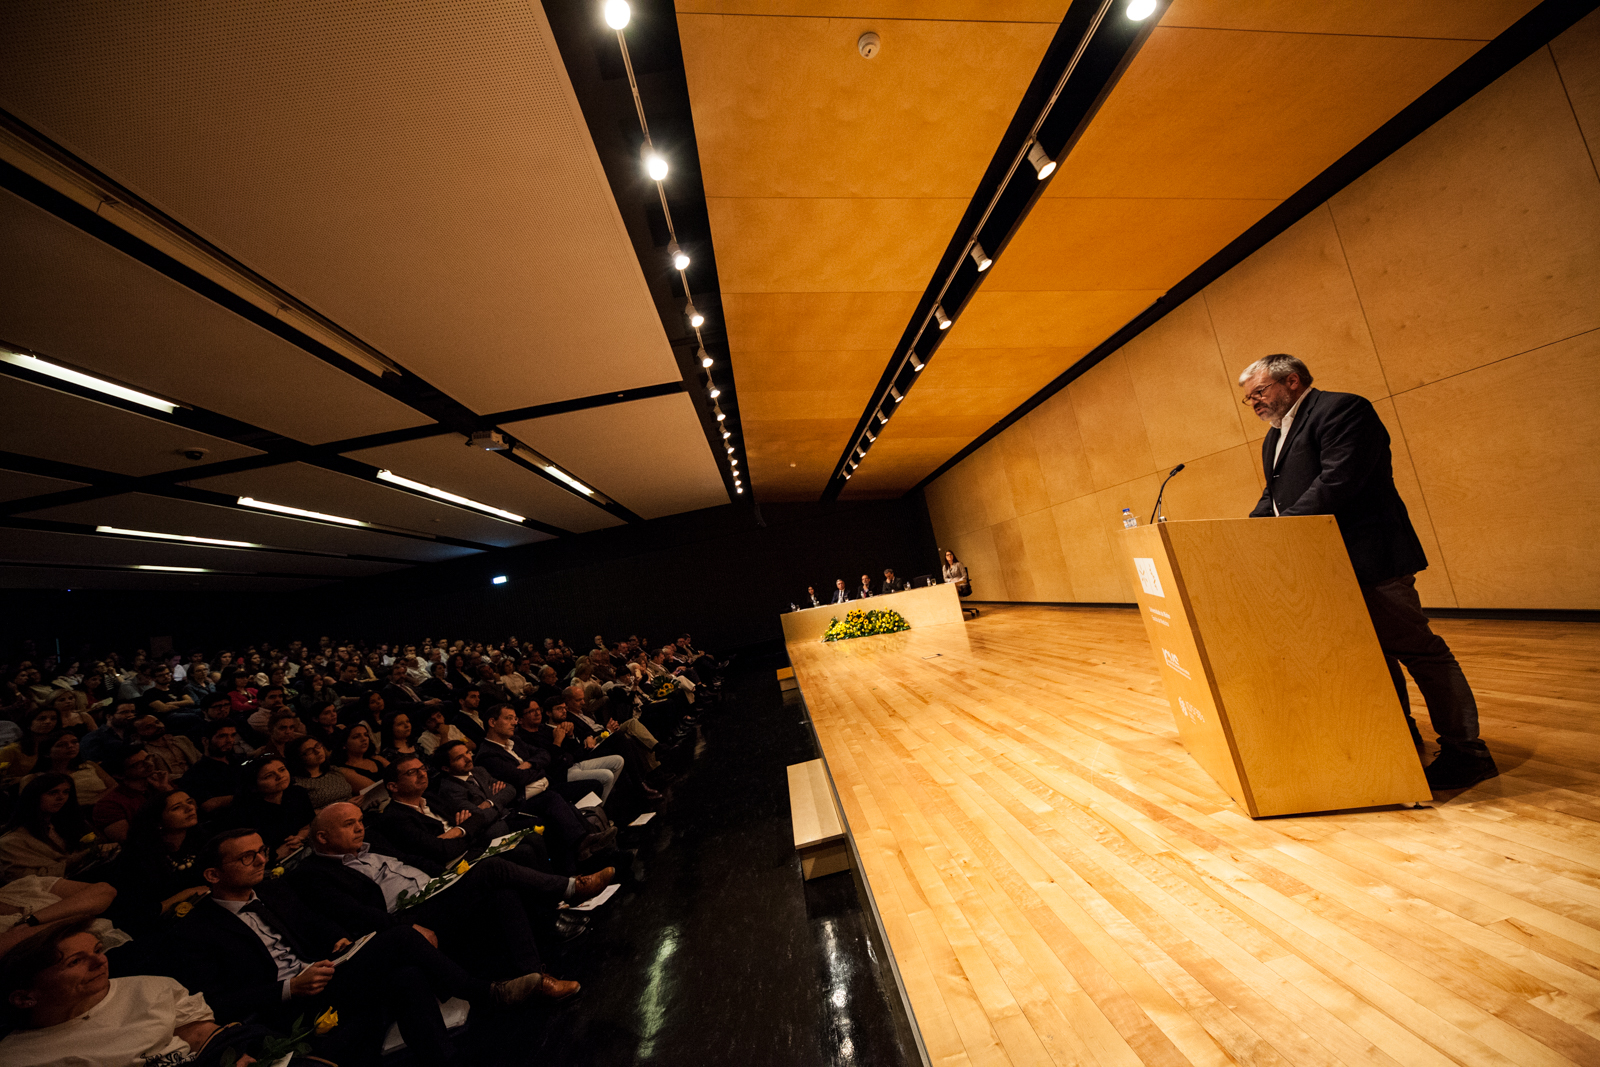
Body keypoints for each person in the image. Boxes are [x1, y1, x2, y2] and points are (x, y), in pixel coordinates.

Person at [1238, 353, 1497, 790]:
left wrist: (1282, 531)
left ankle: (1467, 752)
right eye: (1248, 399)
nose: (1255, 404)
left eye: (1259, 392)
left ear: (1293, 380)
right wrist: (1247, 534)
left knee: (1420, 651)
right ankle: (1399, 733)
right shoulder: (1274, 437)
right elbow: (1275, 496)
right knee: (1371, 656)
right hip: (1327, 564)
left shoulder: (1342, 409)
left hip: (1370, 555)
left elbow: (1338, 482)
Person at [162, 829, 556, 1065]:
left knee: (407, 975)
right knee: (402, 938)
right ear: (213, 874)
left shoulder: (270, 890)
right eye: (247, 857)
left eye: (262, 851)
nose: (260, 861)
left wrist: (337, 939)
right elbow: (217, 1001)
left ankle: (445, 1060)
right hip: (286, 1003)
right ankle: (487, 994)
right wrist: (290, 988)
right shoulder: (196, 929)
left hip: (326, 970)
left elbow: (311, 923)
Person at [291, 804, 580, 997]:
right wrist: (405, 927)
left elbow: (414, 861)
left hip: (438, 891)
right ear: (323, 837)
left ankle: (534, 978)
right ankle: (570, 888)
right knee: (493, 869)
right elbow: (357, 913)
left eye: (360, 821)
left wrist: (450, 879)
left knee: (502, 891)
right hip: (409, 917)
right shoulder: (313, 874)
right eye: (348, 824)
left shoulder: (370, 843)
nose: (359, 828)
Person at [0, 920, 234, 1067]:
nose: (99, 961)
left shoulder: (149, 988)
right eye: (75, 962)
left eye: (97, 950)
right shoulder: (18, 1058)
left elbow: (202, 1037)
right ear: (24, 998)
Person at [0, 774, 107, 881]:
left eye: (66, 792)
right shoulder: (12, 841)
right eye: (53, 793)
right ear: (34, 797)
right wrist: (81, 857)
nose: (61, 797)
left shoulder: (69, 823)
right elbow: (29, 879)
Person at [225, 755, 313, 860]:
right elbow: (244, 852)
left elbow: (306, 826)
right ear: (254, 785)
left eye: (282, 770)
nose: (280, 776)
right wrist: (275, 854)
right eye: (269, 776)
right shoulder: (244, 812)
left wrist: (298, 838)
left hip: (300, 851)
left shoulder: (297, 793)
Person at [92, 746, 171, 842]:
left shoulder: (159, 783)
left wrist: (165, 789)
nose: (149, 764)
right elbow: (128, 840)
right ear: (119, 775)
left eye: (148, 758)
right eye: (139, 764)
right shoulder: (109, 805)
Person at [23, 731, 117, 811]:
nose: (70, 746)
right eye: (61, 745)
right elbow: (30, 807)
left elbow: (114, 786)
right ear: (47, 753)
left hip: (107, 805)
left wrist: (94, 801)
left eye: (74, 742)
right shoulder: (34, 778)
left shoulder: (89, 765)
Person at [179, 720, 244, 815]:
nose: (230, 740)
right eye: (222, 736)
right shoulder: (197, 772)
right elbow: (207, 805)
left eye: (233, 735)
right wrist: (247, 795)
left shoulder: (239, 760)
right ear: (205, 741)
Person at [286, 735, 356, 811]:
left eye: (317, 746)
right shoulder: (298, 784)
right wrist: (345, 804)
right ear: (299, 758)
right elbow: (305, 815)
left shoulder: (333, 770)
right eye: (309, 751)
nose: (317, 751)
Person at [0, 706, 61, 781]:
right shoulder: (12, 749)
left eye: (53, 719)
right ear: (29, 723)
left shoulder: (56, 746)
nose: (48, 722)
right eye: (42, 718)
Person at [943, 549, 978, 618]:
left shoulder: (958, 564)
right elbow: (945, 579)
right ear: (945, 557)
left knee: (952, 590)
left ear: (953, 556)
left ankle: (956, 611)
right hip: (952, 584)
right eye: (947, 555)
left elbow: (965, 576)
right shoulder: (945, 567)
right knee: (947, 591)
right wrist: (951, 580)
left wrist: (958, 581)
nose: (949, 556)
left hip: (962, 585)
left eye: (950, 554)